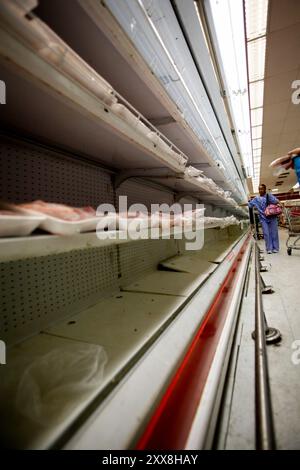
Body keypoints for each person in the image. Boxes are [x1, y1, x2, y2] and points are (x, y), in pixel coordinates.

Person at [248, 184, 281, 254]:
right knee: (266, 233)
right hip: (263, 218)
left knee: (274, 233)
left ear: (265, 189)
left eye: (262, 189)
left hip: (272, 217)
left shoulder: (269, 196)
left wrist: (277, 203)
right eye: (259, 189)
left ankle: (275, 248)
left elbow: (276, 201)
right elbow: (250, 205)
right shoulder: (256, 199)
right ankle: (269, 248)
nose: (260, 190)